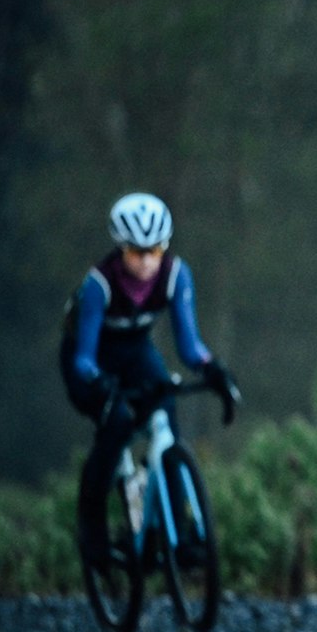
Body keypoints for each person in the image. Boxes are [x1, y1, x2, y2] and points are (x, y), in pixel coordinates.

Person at [59, 193, 237, 568]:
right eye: (136, 252)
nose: (146, 262)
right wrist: (101, 386)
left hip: (136, 350)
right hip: (89, 358)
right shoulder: (99, 286)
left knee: (165, 417)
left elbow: (190, 347)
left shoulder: (175, 276)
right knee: (118, 423)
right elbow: (84, 360)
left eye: (154, 251)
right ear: (121, 249)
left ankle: (180, 536)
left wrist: (213, 370)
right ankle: (92, 534)